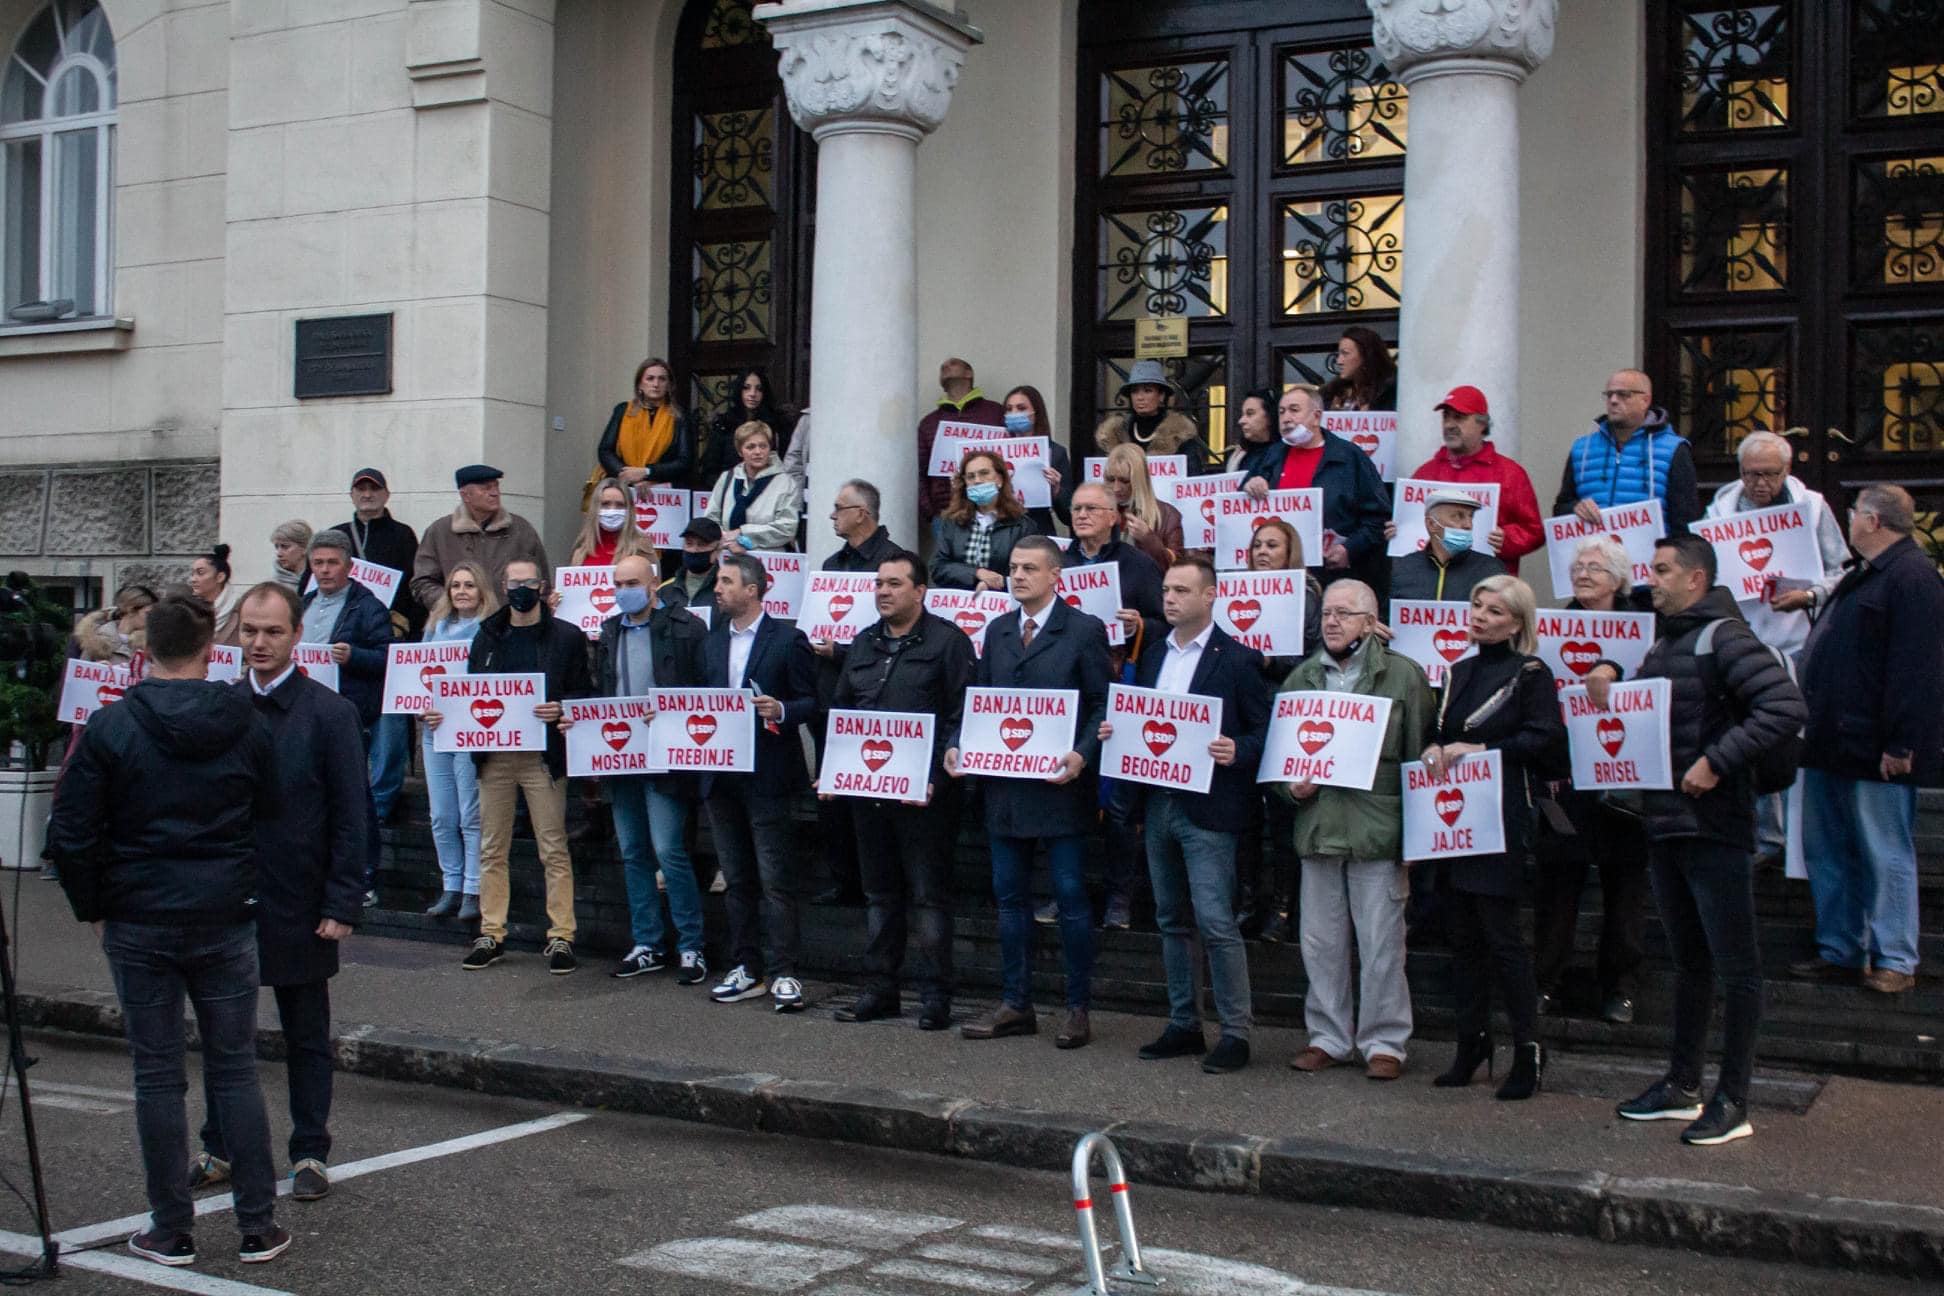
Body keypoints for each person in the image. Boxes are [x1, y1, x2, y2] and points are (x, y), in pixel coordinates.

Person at [46, 591, 292, 1268]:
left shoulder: (112, 728)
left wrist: (93, 905)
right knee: (234, 1069)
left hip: (140, 915)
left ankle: (170, 1227)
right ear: (213, 650)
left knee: (157, 1077)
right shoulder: (247, 723)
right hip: (223, 913)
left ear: (144, 650)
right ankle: (257, 1224)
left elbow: (69, 833)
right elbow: (269, 811)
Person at [1588, 534, 1805, 1145]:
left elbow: (1785, 706)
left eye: (1661, 570)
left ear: (1695, 579)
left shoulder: (1726, 637)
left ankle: (1733, 1100)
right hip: (1666, 823)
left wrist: (1715, 762)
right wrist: (1610, 671)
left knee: (1738, 970)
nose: (1648, 580)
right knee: (1689, 963)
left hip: (1715, 825)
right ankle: (1683, 1086)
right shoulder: (1668, 640)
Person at [188, 583, 367, 1205]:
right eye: (249, 631)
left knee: (305, 1033)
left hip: (300, 900)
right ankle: (219, 1145)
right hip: (227, 900)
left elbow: (351, 815)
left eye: (272, 632)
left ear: (296, 637)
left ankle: (310, 1150)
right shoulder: (219, 707)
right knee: (223, 1033)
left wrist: (341, 903)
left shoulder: (328, 714)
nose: (258, 643)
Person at [947, 536, 1112, 1049]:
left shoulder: (1083, 630)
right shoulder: (997, 631)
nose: (1017, 576)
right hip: (1006, 788)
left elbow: (1102, 704)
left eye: (1029, 569)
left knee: (1068, 895)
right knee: (1010, 896)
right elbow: (979, 701)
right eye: (1013, 567)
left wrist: (1083, 754)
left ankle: (1077, 1007)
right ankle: (1016, 1002)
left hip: (1060, 788)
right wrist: (958, 745)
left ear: (1055, 575)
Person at [1113, 554, 1269, 1074]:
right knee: (1171, 918)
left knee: (1215, 920)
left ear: (1210, 597)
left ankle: (1236, 1031)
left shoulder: (1239, 658)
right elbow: (1144, 721)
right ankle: (1184, 1023)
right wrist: (1120, 733)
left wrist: (1237, 749)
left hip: (1210, 806)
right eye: (1167, 590)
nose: (1170, 598)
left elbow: (1265, 732)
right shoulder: (1154, 654)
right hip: (1159, 802)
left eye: (1182, 590)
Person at [1793, 484, 1944, 995]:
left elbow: (1917, 670)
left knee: (1884, 851)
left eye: (1854, 512)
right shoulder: (1866, 573)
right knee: (1828, 849)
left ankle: (1896, 957)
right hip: (1831, 740)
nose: (1849, 520)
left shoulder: (1912, 578)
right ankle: (1841, 948)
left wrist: (1902, 743)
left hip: (1874, 746)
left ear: (1874, 521)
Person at [1422, 575, 1568, 1101]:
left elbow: (1546, 737)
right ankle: (1473, 1043)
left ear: (1517, 622)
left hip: (1502, 817)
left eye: (1495, 610)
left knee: (1502, 939)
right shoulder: (1459, 671)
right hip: (1455, 820)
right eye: (1477, 605)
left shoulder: (1530, 671)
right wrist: (1435, 749)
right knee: (1462, 939)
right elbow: (1444, 732)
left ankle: (1528, 1048)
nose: (1480, 616)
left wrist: (1483, 752)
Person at [1280, 579, 1432, 1080]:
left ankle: (1385, 1042)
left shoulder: (1404, 677)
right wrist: (1290, 790)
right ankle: (1328, 1037)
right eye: (1327, 612)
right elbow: (1281, 764)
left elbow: (1417, 760)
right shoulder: (1301, 679)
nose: (1332, 621)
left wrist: (1417, 839)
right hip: (1320, 827)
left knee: (1382, 942)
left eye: (1345, 613)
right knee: (1320, 943)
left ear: (1371, 623)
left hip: (1377, 830)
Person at [829, 551, 976, 1030]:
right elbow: (843, 712)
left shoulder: (948, 642)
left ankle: (935, 997)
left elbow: (962, 715)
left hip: (926, 799)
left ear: (920, 591)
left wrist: (935, 775)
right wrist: (833, 770)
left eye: (894, 583)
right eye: (879, 584)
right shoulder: (863, 642)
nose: (884, 591)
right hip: (868, 795)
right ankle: (881, 990)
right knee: (880, 896)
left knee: (929, 898)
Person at [429, 559, 593, 974]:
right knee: (491, 847)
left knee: (553, 846)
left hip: (542, 757)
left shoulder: (567, 637)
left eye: (529, 582)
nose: (522, 589)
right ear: (503, 587)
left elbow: (585, 691)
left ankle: (561, 936)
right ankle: (491, 932)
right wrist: (443, 715)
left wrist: (563, 707)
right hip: (495, 757)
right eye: (514, 583)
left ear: (542, 586)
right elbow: (468, 695)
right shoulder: (487, 636)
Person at [1702, 430, 1849, 865]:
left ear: (1787, 471)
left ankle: (1795, 842)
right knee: (1749, 733)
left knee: (1790, 736)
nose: (1759, 484)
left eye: (1769, 474)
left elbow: (1841, 569)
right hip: (1742, 639)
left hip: (1797, 639)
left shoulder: (1813, 508)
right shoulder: (1719, 513)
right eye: (1750, 475)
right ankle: (1762, 833)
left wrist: (1809, 597)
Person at [569, 553, 713, 986]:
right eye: (617, 582)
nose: (622, 589)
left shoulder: (686, 627)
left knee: (669, 851)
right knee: (632, 851)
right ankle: (647, 942)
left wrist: (672, 716)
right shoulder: (610, 630)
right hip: (621, 756)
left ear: (653, 584)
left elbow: (703, 689)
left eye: (631, 581)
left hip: (665, 755)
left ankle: (691, 945)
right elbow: (603, 688)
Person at [1532, 537, 1650, 1024]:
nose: (1582, 574)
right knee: (1557, 887)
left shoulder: (1645, 629)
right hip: (1566, 775)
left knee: (1625, 890)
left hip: (1624, 775)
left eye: (1595, 568)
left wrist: (1616, 668)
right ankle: (1545, 982)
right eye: (1578, 566)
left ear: (1619, 579)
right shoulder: (1552, 628)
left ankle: (1619, 986)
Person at [701, 553, 818, 1011]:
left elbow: (813, 701)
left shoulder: (788, 640)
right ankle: (746, 967)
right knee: (737, 879)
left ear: (752, 590)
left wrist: (783, 710)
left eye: (727, 581)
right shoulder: (711, 643)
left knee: (775, 881)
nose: (718, 588)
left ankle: (785, 971)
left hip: (767, 774)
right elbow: (696, 700)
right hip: (720, 775)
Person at [809, 479, 902, 907]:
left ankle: (878, 881)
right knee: (833, 792)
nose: (832, 515)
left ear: (861, 513)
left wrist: (841, 648)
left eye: (838, 507)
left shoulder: (895, 563)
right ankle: (842, 877)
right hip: (832, 691)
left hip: (878, 692)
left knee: (874, 796)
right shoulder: (831, 564)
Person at [1235, 519, 1319, 940]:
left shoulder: (1307, 594)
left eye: (1272, 545)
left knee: (1283, 817)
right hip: (1243, 712)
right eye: (1256, 546)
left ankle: (1285, 909)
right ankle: (1250, 901)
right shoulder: (1235, 594)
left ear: (1291, 553)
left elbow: (1313, 656)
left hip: (1286, 713)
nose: (1262, 552)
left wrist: (1272, 661)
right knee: (1246, 816)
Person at [331, 468, 424, 829]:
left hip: (390, 641)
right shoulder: (337, 536)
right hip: (344, 647)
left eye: (373, 489)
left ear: (386, 494)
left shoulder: (402, 536)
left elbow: (413, 589)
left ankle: (381, 804)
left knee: (390, 728)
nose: (367, 495)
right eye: (360, 489)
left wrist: (406, 629)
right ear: (352, 495)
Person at [303, 529, 392, 903]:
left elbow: (390, 658)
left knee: (354, 797)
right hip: (303, 712)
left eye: (332, 563)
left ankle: (365, 875)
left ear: (349, 565)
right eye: (318, 563)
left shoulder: (368, 606)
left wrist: (353, 656)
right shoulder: (302, 601)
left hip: (348, 714)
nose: (324, 571)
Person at [1241, 384, 1392, 593]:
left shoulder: (1349, 458)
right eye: (1282, 412)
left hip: (1334, 578)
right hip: (1279, 583)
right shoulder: (1270, 457)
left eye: (1294, 410)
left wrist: (1348, 550)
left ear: (1316, 416)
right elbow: (1240, 510)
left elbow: (1378, 519)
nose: (1286, 418)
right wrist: (1251, 484)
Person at [419, 562, 495, 921]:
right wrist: (417, 706)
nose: (461, 591)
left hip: (468, 730)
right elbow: (414, 677)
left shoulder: (489, 629)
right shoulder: (434, 627)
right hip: (435, 730)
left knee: (469, 813)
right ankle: (450, 884)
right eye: (455, 586)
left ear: (482, 591)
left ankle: (472, 888)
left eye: (469, 585)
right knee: (441, 815)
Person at [1400, 386, 1543, 572]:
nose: (1449, 424)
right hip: (1435, 583)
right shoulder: (1426, 473)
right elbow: (1413, 527)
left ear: (1482, 424)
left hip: (1488, 585)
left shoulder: (1510, 473)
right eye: (1446, 417)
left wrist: (1506, 539)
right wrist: (1398, 531)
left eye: (1459, 417)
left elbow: (1534, 531)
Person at [1554, 369, 1701, 535]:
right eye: (1609, 395)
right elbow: (1560, 508)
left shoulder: (1674, 449)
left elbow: (1685, 519)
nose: (1613, 401)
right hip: (1593, 556)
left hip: (1651, 557)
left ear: (1645, 400)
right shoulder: (1582, 448)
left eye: (1623, 394)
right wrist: (1575, 508)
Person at [411, 465, 550, 611]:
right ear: (465, 495)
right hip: (458, 626)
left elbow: (542, 582)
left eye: (496, 486)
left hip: (511, 624)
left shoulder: (521, 529)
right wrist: (453, 606)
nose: (494, 493)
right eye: (486, 488)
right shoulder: (440, 532)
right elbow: (422, 582)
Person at [930, 449, 1041, 593]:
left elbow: (1032, 571)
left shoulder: (1022, 525)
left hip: (1005, 604)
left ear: (999, 480)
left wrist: (997, 583)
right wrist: (977, 573)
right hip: (958, 605)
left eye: (984, 473)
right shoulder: (952, 522)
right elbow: (937, 567)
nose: (977, 480)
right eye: (970, 476)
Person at [918, 357, 1008, 524]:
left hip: (995, 510)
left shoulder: (996, 413)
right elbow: (919, 473)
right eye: (942, 366)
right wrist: (931, 512)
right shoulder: (929, 423)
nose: (945, 366)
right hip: (946, 514)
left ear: (969, 373)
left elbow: (1011, 458)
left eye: (952, 363)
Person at [1094, 359, 1215, 473]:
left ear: (1161, 396)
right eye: (1135, 391)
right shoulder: (1113, 435)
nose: (1140, 397)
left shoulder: (1180, 435)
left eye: (1147, 391)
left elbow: (1191, 477)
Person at [597, 356, 695, 493]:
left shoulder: (680, 416)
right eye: (650, 378)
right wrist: (629, 476)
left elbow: (685, 461)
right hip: (623, 489)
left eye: (662, 379)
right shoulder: (623, 410)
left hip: (661, 492)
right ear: (639, 384)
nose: (656, 384)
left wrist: (648, 472)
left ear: (669, 385)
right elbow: (605, 450)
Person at [702, 421, 802, 553]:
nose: (758, 452)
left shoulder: (786, 483)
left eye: (763, 446)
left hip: (769, 561)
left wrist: (743, 533)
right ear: (740, 451)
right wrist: (724, 538)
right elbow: (711, 517)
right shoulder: (727, 478)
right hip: (727, 555)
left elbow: (787, 528)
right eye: (750, 447)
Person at [1388, 489, 1504, 602]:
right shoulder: (1400, 568)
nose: (1468, 525)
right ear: (1432, 524)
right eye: (1458, 516)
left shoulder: (1490, 569)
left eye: (1471, 516)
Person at [702, 367, 798, 496]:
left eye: (758, 389)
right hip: (731, 495)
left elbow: (787, 465)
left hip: (767, 496)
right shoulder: (725, 424)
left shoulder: (777, 425)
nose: (752, 394)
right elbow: (710, 470)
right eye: (746, 388)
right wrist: (728, 489)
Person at [1002, 384, 1073, 533]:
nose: (1014, 413)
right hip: (1000, 531)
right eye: (1009, 409)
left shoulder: (1055, 452)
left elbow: (1068, 516)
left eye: (1021, 408)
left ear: (1036, 413)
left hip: (1037, 530)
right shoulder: (993, 451)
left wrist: (1057, 491)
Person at [1103, 442, 1186, 570]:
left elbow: (1177, 569)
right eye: (1110, 479)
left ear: (1139, 480)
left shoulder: (1168, 514)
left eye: (1124, 481)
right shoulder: (1097, 512)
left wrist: (1148, 538)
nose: (1116, 488)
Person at [570, 478, 655, 568]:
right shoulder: (580, 550)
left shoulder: (641, 546)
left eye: (620, 505)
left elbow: (653, 581)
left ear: (629, 510)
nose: (612, 510)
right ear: (595, 508)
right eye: (605, 504)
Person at [74, 582, 155, 665]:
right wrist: (99, 670)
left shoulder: (150, 643)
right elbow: (78, 674)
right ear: (131, 610)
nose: (152, 618)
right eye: (147, 613)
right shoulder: (95, 639)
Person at [660, 518, 725, 618]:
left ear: (717, 550)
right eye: (689, 544)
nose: (694, 550)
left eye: (702, 544)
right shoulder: (664, 590)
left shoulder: (726, 590)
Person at [1321, 326, 1398, 411]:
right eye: (1339, 354)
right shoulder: (1331, 395)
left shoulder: (1394, 394)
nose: (1339, 361)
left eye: (1345, 353)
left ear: (1366, 356)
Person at [189, 545, 241, 646]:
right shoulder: (189, 609)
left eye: (200, 573)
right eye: (192, 573)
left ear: (220, 577)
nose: (193, 579)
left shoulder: (240, 609)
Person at [1224, 387, 1281, 478]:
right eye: (1242, 414)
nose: (1241, 421)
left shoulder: (1285, 454)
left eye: (1250, 414)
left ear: (1270, 417)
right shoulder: (1238, 456)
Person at [271, 520, 313, 595]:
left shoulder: (318, 581)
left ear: (305, 547)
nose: (279, 553)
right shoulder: (273, 588)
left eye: (285, 547)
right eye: (277, 547)